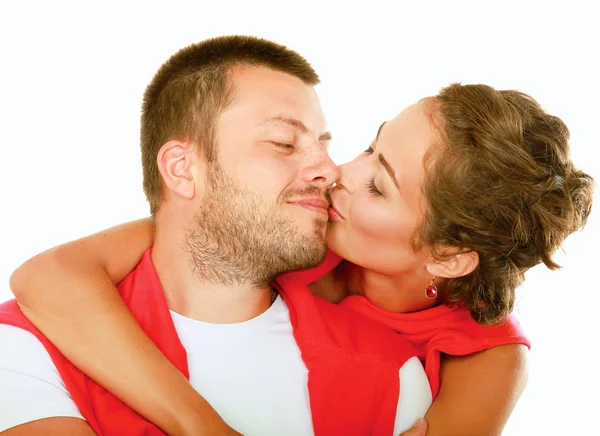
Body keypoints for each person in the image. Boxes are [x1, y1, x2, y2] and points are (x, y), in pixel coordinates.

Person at [6, 52, 597, 436]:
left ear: (446, 255)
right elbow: (53, 274)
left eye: (381, 185)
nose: (336, 170)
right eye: (369, 146)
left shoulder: (484, 358)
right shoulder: (300, 237)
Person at [0, 36, 434, 436]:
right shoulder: (27, 345)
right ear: (181, 169)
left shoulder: (391, 375)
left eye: (323, 143)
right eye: (284, 143)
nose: (330, 169)